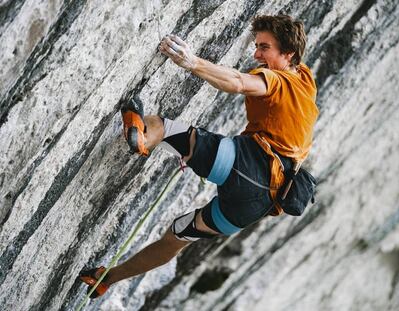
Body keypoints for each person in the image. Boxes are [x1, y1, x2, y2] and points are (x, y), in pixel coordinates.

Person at [79, 14, 319, 298]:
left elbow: (239, 83)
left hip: (245, 165)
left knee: (164, 127)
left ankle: (143, 137)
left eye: (264, 47)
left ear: (287, 53)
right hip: (254, 209)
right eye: (257, 46)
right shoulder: (305, 81)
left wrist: (191, 62)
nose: (256, 54)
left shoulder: (275, 80)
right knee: (175, 238)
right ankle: (105, 278)